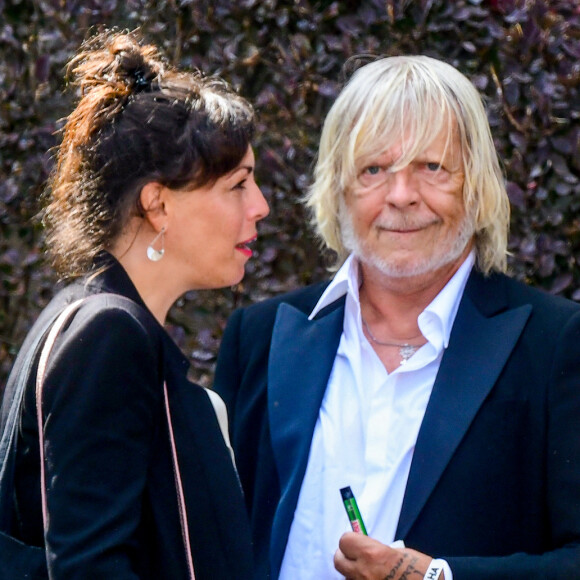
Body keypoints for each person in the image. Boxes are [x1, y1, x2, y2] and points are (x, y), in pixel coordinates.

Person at [214, 54, 580, 579]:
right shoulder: (262, 337)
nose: (402, 196)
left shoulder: (555, 345)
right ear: (339, 187)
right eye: (374, 170)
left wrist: (434, 577)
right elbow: (210, 538)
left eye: (431, 167)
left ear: (475, 184)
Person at [0, 29, 269, 579]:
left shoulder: (98, 318)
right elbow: (90, 567)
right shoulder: (107, 333)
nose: (261, 206)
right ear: (158, 204)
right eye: (238, 185)